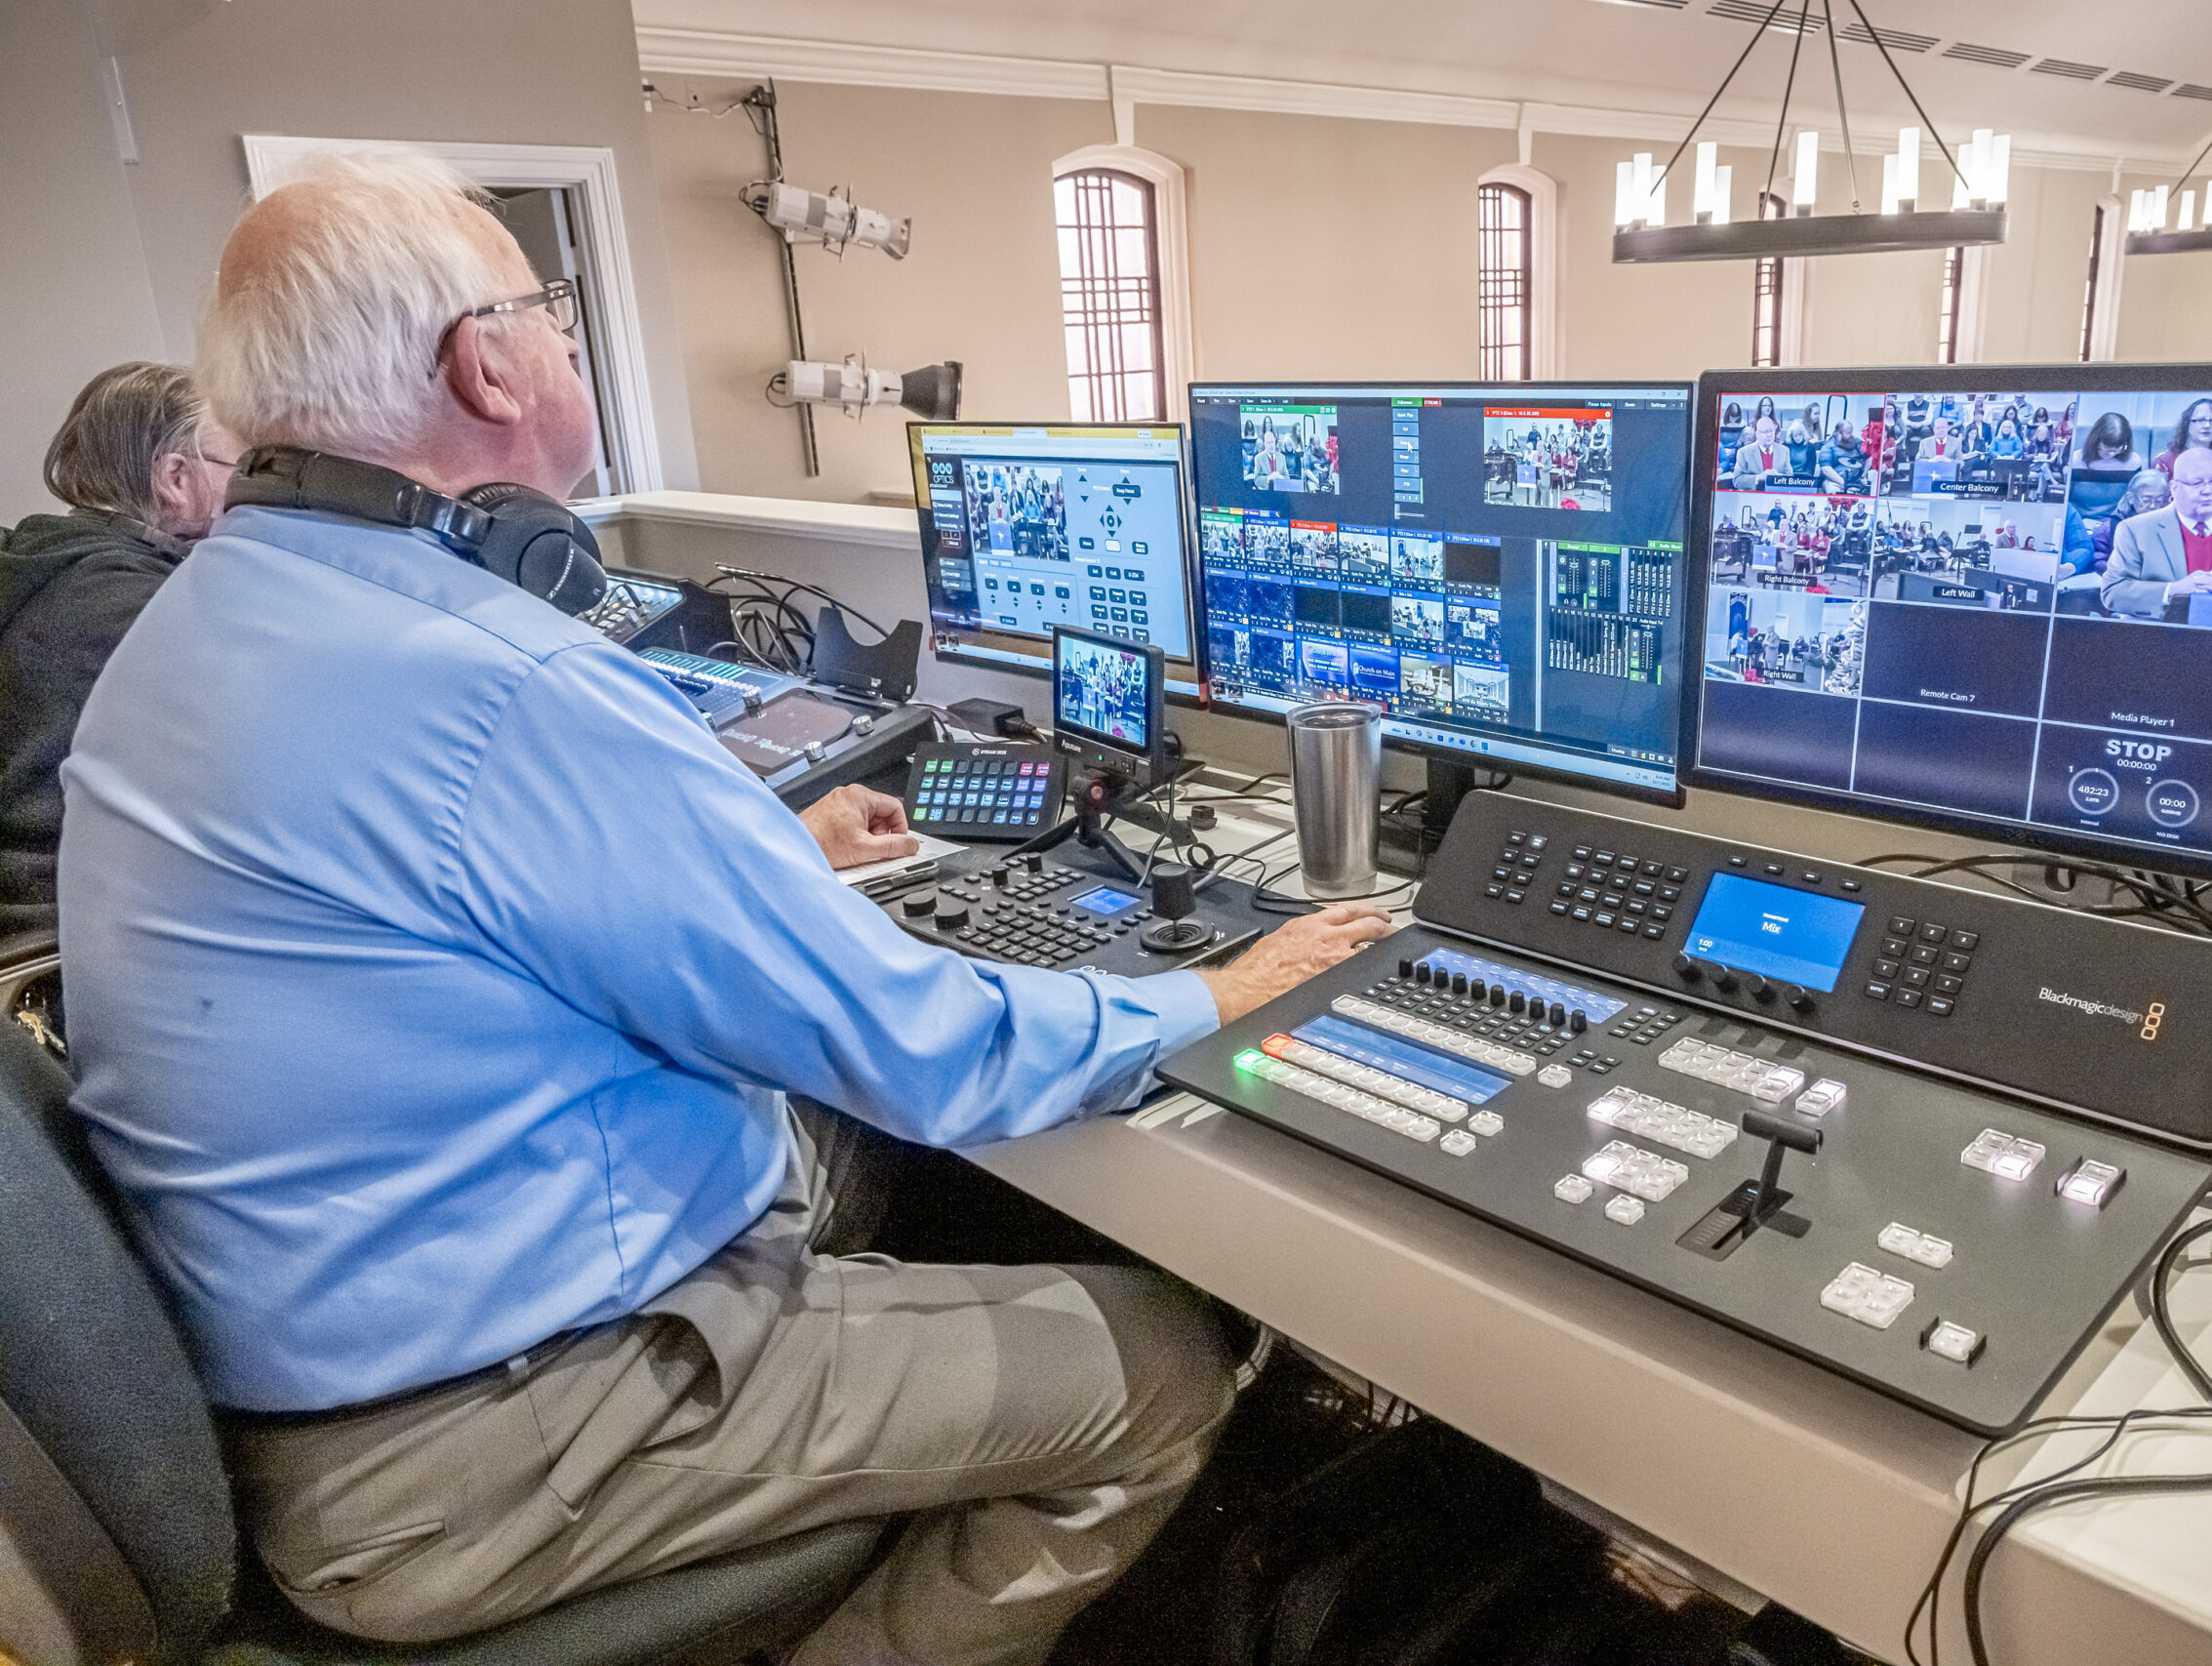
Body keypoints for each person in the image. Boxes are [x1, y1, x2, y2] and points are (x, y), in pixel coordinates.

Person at [57, 151, 1394, 1660]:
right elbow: (925, 1052)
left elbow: (421, 896)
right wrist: (1209, 993)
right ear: (484, 364)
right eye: (546, 313)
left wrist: (747, 861)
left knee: (868, 1171)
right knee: (1160, 1368)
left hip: (318, 1367)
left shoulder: (207, 619)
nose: (565, 340)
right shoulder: (506, 682)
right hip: (476, 1449)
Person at [1, 363, 238, 934]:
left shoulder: (46, 563)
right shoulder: (141, 608)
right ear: (176, 478)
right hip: (72, 940)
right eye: (247, 466)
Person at [2104, 445, 2212, 619]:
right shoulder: (2134, 530)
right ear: (2174, 488)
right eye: (2196, 483)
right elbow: (2113, 592)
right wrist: (2171, 591)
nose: (2207, 491)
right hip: (2155, 636)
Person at [2151, 397, 2212, 508]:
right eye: (2200, 420)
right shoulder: (2164, 462)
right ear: (2187, 424)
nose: (2207, 426)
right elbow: (2158, 505)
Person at [1730, 415, 1785, 490]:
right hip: (1753, 497)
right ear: (1757, 434)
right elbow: (1737, 480)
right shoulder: (1743, 452)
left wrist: (1777, 477)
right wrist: (1759, 477)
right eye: (1765, 432)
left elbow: (1790, 477)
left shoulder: (1784, 451)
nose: (1769, 435)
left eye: (1771, 431)